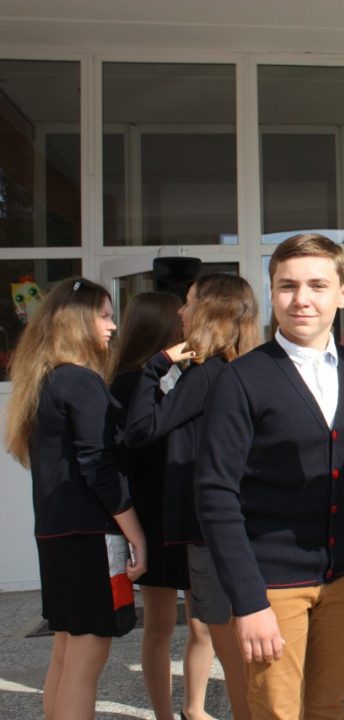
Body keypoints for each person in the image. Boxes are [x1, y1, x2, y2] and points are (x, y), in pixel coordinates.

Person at [194, 233, 344, 720]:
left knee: (331, 708)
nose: (301, 299)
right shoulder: (242, 379)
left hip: (343, 578)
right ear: (271, 292)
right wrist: (248, 601)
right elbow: (215, 495)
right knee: (277, 711)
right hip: (272, 586)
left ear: (343, 293)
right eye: (287, 285)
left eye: (317, 285)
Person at [4, 278, 147, 720]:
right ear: (77, 320)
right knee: (85, 659)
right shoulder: (81, 382)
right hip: (90, 537)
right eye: (104, 315)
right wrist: (136, 534)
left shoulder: (44, 381)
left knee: (66, 653)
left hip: (57, 535)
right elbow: (99, 467)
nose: (112, 327)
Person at [123, 275, 261, 720]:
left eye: (189, 303)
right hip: (237, 526)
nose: (181, 313)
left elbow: (141, 429)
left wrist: (155, 366)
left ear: (209, 312)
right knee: (240, 648)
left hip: (209, 531)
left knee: (231, 648)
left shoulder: (207, 374)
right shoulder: (246, 369)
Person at [110, 291, 217, 720]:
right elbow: (131, 447)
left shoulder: (191, 375)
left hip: (185, 513)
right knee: (159, 625)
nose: (185, 321)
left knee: (201, 622)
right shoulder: (129, 382)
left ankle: (194, 708)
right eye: (178, 317)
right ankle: (164, 714)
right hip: (152, 516)